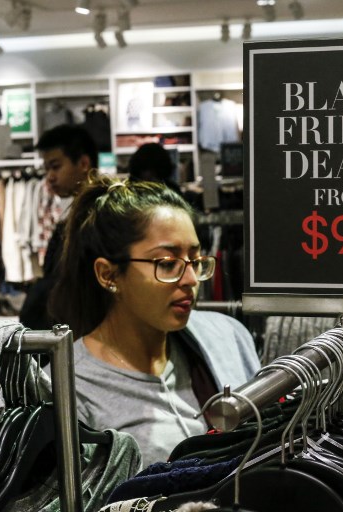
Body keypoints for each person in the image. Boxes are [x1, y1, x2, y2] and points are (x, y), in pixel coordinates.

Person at [48, 173, 260, 465]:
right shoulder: (68, 389)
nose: (191, 279)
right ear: (108, 275)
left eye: (195, 261)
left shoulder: (227, 337)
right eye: (168, 263)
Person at [19, 124, 97, 330]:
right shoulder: (77, 213)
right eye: (47, 169)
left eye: (55, 167)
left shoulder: (98, 217)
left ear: (83, 163)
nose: (50, 177)